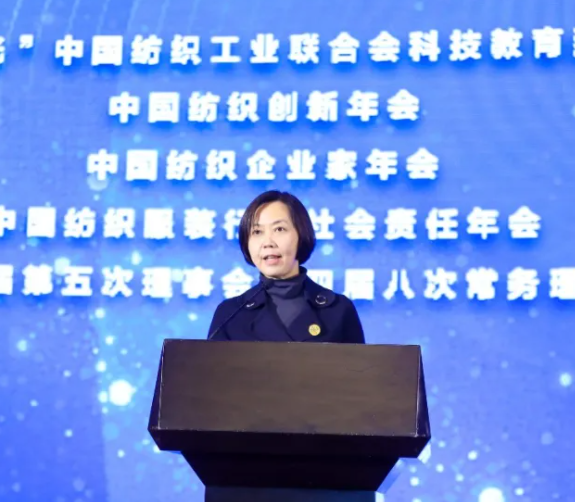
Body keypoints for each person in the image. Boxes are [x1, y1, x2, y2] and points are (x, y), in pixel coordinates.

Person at [207, 190, 365, 343]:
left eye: (279, 229)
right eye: (257, 232)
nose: (268, 242)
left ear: (302, 234)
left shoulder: (338, 309)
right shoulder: (230, 314)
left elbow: (358, 362)